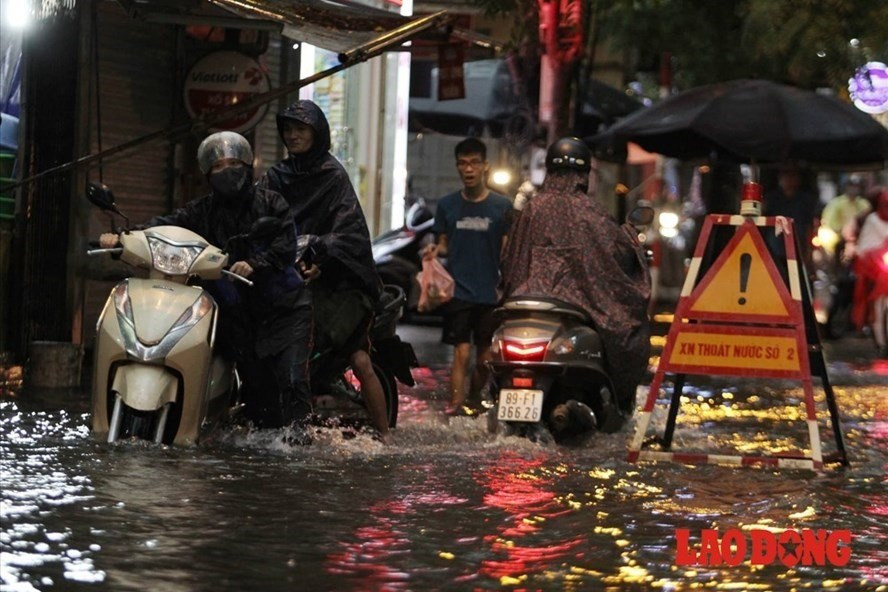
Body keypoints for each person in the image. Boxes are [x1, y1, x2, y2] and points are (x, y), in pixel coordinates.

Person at [100, 131, 313, 432]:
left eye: (233, 162)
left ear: (247, 164)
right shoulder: (201, 211)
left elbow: (283, 245)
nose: (227, 171)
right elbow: (164, 226)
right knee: (259, 397)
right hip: (238, 314)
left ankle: (300, 452)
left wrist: (254, 263)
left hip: (282, 311)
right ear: (207, 174)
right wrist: (124, 238)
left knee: (291, 382)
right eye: (217, 166)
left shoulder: (271, 203)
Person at [259, 99, 391, 442]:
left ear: (317, 134)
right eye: (288, 130)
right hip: (284, 275)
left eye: (300, 129)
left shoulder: (332, 176)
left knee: (359, 358)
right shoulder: (276, 176)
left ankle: (386, 435)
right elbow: (259, 219)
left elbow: (350, 234)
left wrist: (321, 254)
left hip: (338, 284)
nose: (293, 136)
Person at [501, 137, 651, 414]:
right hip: (578, 303)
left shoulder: (532, 209)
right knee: (629, 331)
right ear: (583, 174)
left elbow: (510, 260)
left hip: (526, 302)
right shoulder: (590, 213)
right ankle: (617, 404)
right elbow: (614, 255)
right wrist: (633, 245)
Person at [423, 137, 512, 415]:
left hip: (490, 292)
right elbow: (444, 244)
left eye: (474, 163)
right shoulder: (447, 205)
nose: (468, 169)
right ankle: (455, 407)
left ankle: (474, 397)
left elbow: (507, 252)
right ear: (457, 167)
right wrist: (434, 250)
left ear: (485, 166)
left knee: (485, 358)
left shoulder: (502, 207)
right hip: (458, 291)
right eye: (463, 163)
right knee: (461, 353)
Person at [848, 187, 888, 357]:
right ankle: (880, 342)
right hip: (876, 271)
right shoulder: (872, 220)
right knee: (876, 306)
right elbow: (865, 247)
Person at [762, 165, 821, 270]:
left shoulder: (805, 200)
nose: (789, 179)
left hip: (798, 247)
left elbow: (809, 226)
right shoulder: (772, 198)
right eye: (786, 174)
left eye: (793, 175)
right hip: (775, 248)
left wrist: (808, 252)